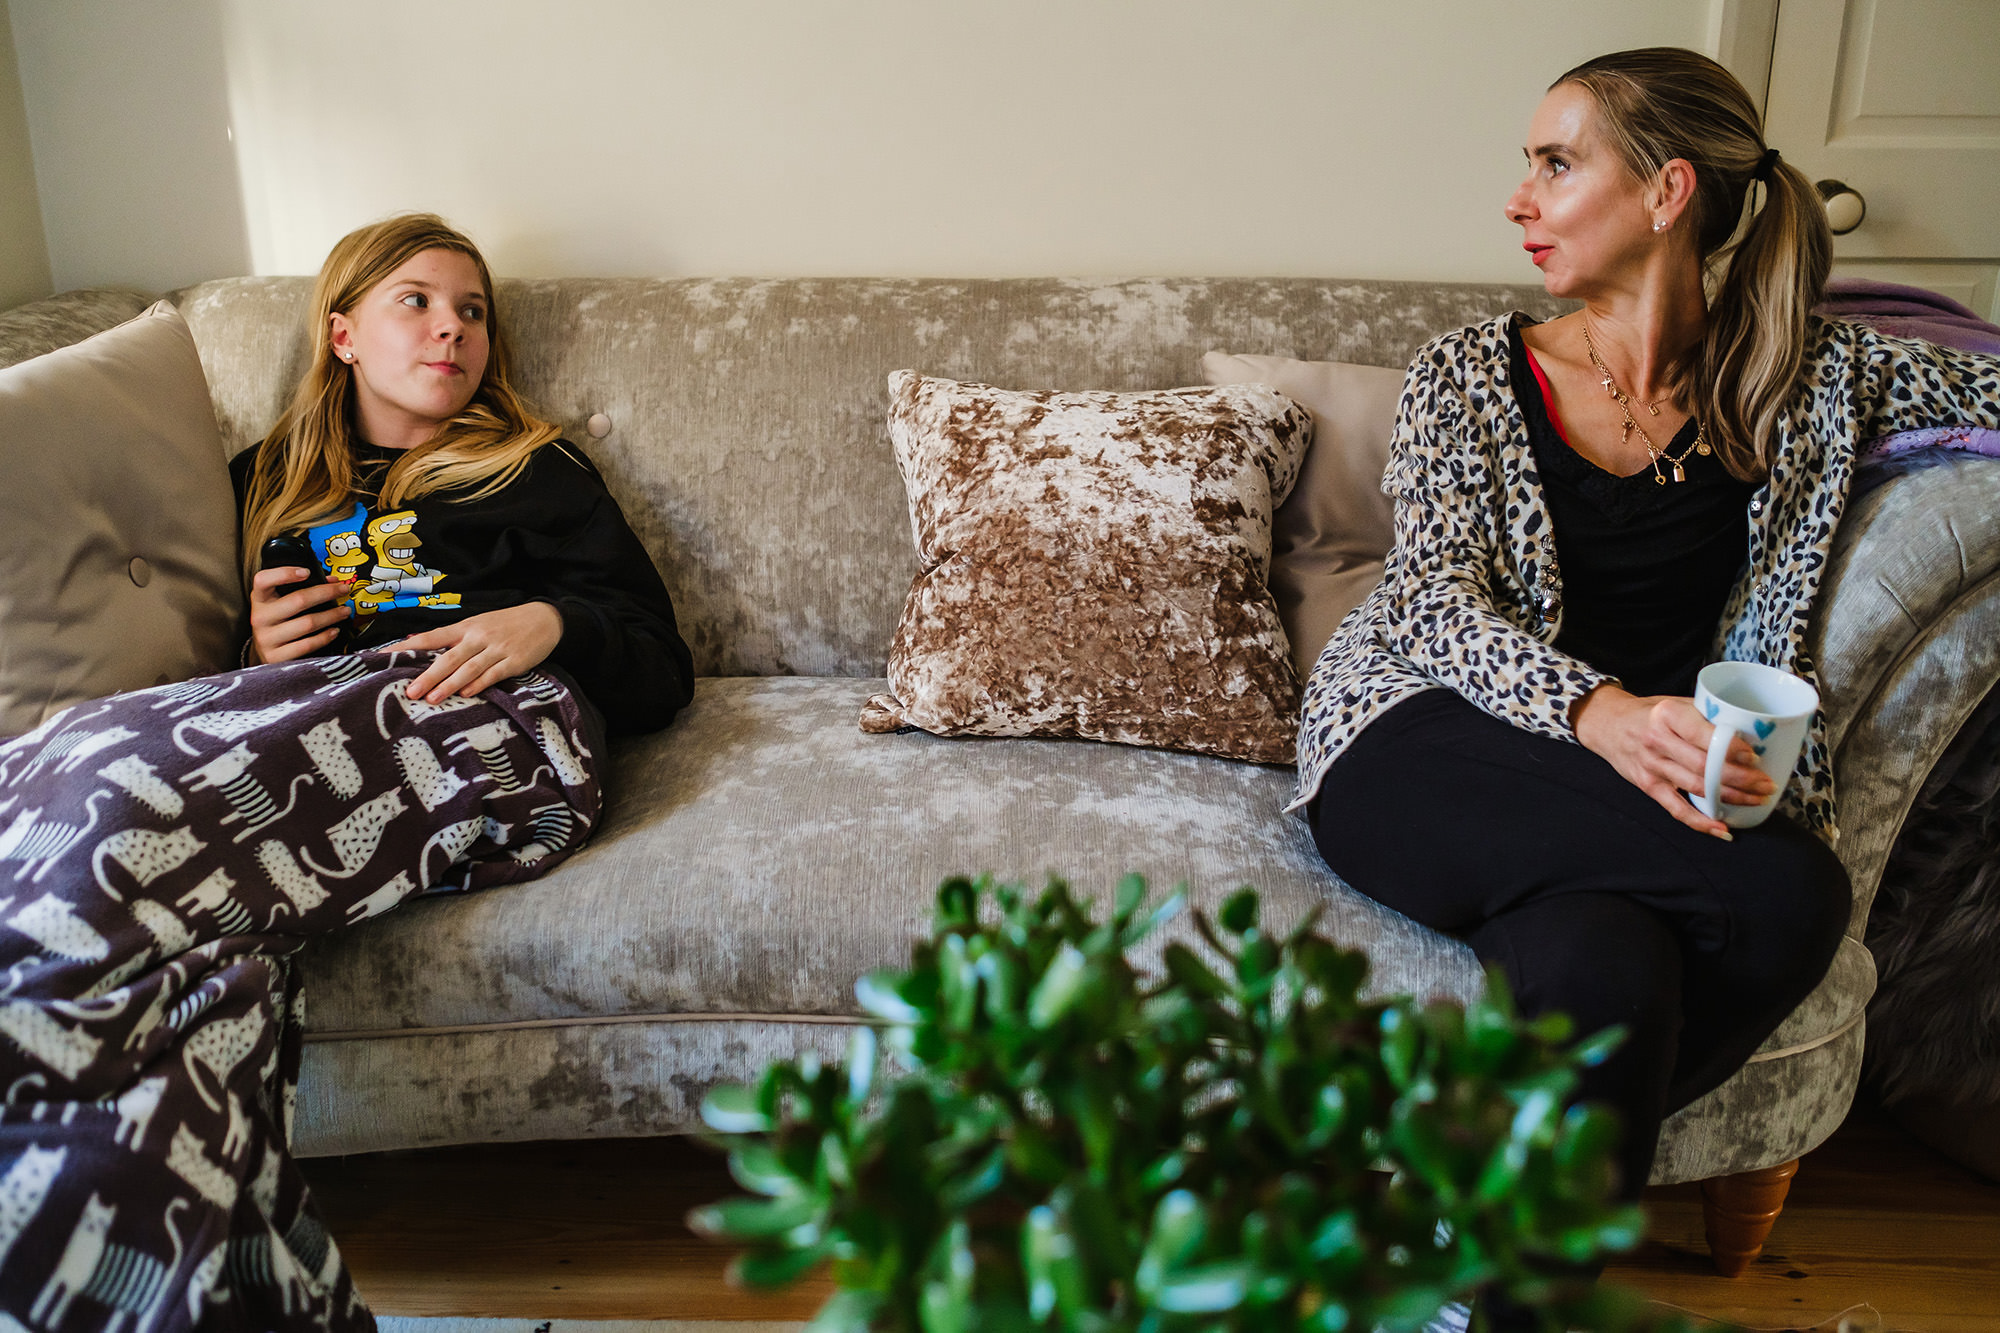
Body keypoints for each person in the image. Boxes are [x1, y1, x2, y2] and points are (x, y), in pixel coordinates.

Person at [1295, 48, 2000, 1324]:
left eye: (1554, 164)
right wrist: (1598, 714)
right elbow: (1433, 603)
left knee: (1603, 970)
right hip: (1424, 734)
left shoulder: (1811, 375)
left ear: (1667, 190)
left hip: (1641, 775)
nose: (1518, 198)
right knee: (1784, 887)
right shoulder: (1468, 371)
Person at [0, 214, 693, 1331]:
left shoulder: (533, 468)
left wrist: (545, 621)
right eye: (417, 301)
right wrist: (258, 653)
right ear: (342, 334)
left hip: (503, 727)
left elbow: (663, 666)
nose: (453, 328)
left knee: (121, 822)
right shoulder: (262, 482)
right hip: (317, 718)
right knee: (134, 876)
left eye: (472, 311)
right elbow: (239, 702)